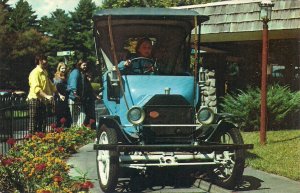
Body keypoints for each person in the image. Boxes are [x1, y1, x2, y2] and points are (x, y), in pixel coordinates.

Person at [27, 54, 64, 133]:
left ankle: (41, 140)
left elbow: (51, 85)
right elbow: (36, 88)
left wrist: (59, 94)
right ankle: (31, 141)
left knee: (43, 122)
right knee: (33, 123)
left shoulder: (44, 72)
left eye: (46, 59)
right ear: (39, 61)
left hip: (43, 100)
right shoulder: (34, 73)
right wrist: (46, 96)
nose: (46, 61)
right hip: (35, 100)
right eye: (44, 60)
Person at [68, 60, 99, 128]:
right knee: (74, 117)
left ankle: (78, 130)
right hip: (74, 98)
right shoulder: (76, 72)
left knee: (82, 115)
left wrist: (95, 95)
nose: (85, 67)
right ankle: (75, 131)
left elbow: (88, 86)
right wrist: (75, 92)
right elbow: (73, 82)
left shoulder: (83, 74)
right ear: (79, 65)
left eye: (86, 65)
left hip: (80, 99)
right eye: (83, 65)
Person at [53, 62, 72, 128]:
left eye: (64, 68)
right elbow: (56, 88)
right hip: (59, 99)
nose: (64, 70)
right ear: (59, 68)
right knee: (60, 117)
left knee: (67, 118)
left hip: (65, 98)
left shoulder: (65, 77)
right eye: (62, 68)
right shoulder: (57, 78)